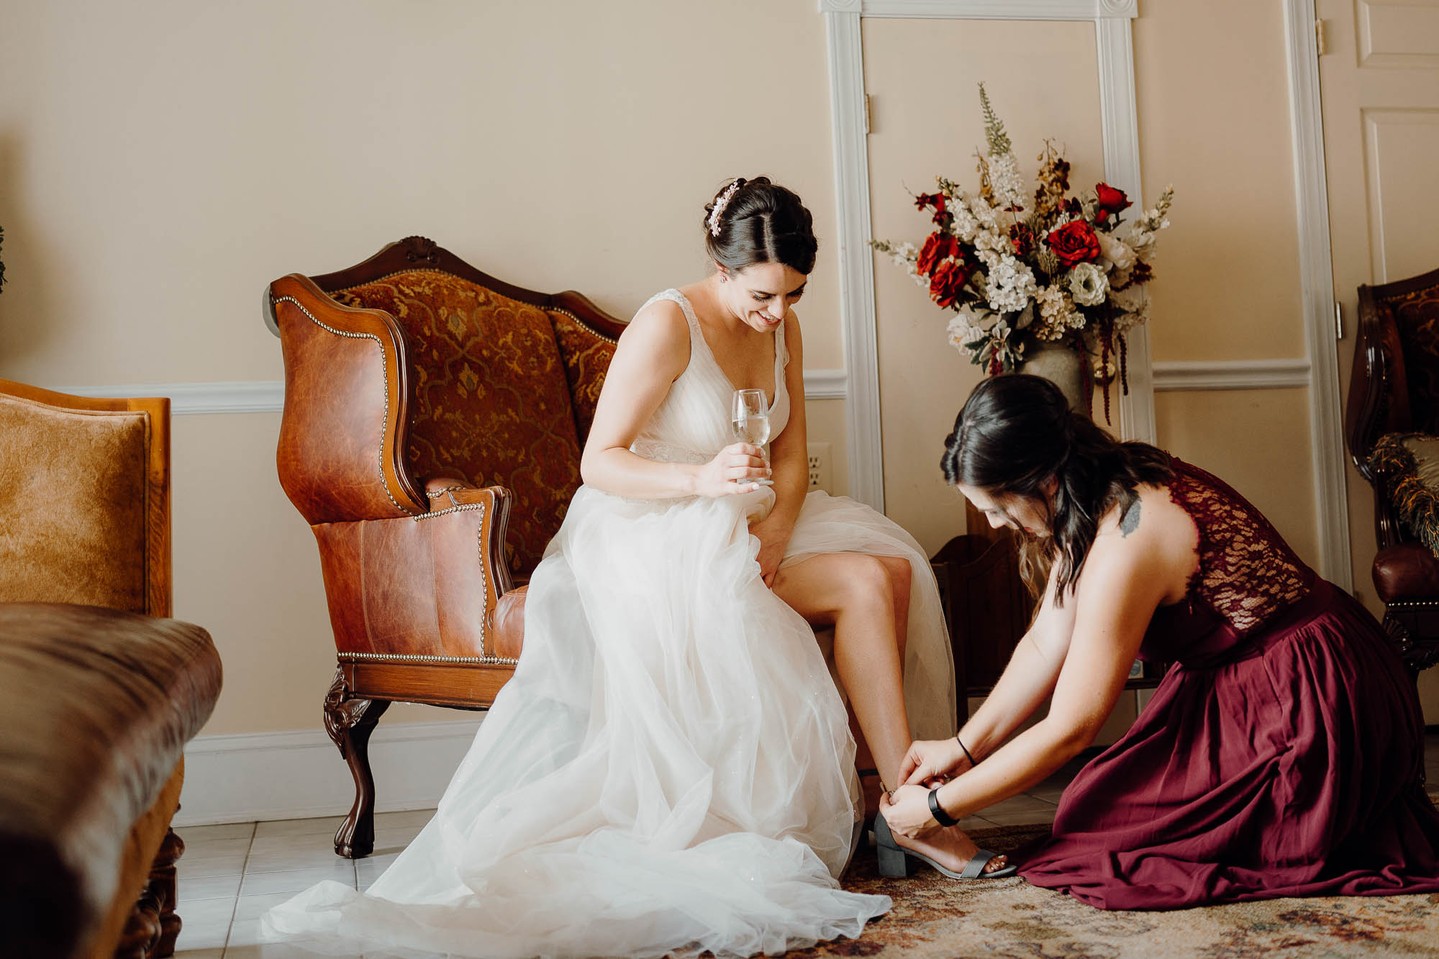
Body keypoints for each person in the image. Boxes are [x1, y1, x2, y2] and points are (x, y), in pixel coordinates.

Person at [263, 177, 984, 959]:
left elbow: (785, 454)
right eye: (763, 294)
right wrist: (700, 483)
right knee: (862, 582)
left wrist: (771, 535)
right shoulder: (666, 324)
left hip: (751, 516)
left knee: (888, 571)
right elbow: (599, 463)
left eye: (794, 294)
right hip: (652, 528)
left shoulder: (784, 328)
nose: (777, 313)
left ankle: (900, 807)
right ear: (720, 264)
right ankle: (910, 817)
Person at [877, 372, 1439, 908]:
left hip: (1314, 694)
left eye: (998, 507)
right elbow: (1047, 641)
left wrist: (937, 808)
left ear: (1041, 478)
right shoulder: (1094, 486)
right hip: (1251, 673)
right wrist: (960, 748)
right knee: (1098, 814)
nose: (996, 524)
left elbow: (1071, 729)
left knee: (1105, 841)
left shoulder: (1132, 535)